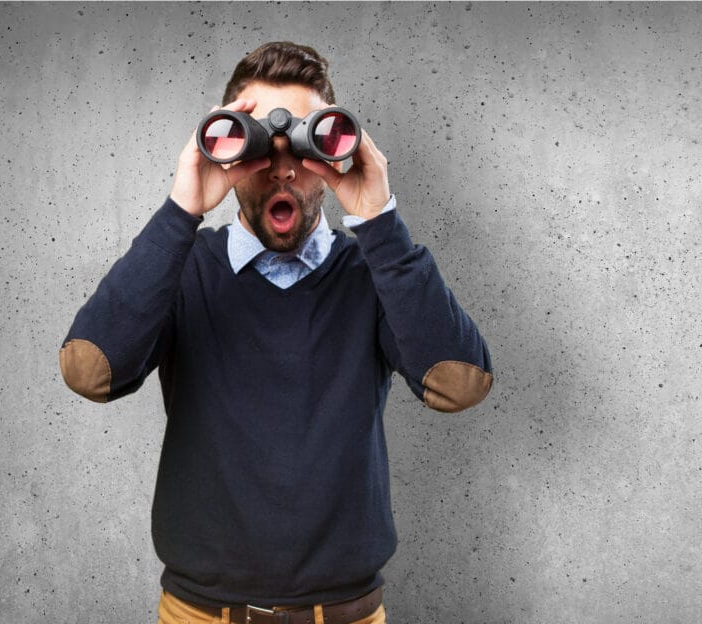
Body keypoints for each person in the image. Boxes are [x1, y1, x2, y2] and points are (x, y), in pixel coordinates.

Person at [59, 42, 493, 624]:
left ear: (336, 151)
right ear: (227, 146)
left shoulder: (376, 274)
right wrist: (181, 210)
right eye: (260, 143)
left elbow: (460, 384)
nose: (283, 167)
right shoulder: (181, 269)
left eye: (305, 146)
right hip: (199, 616)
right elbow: (90, 370)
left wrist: (380, 221)